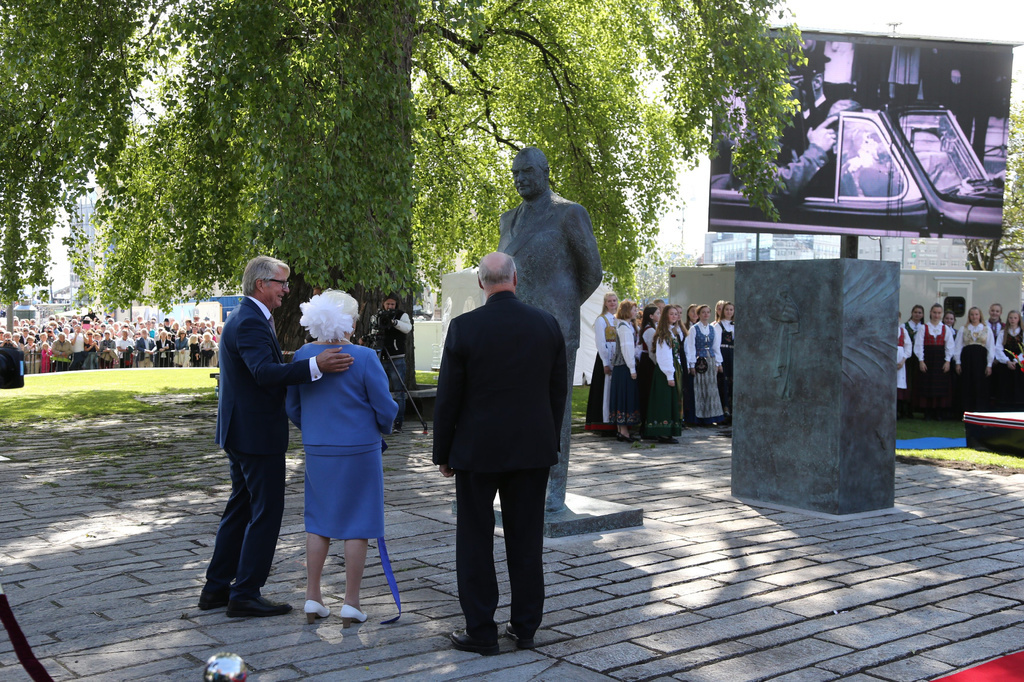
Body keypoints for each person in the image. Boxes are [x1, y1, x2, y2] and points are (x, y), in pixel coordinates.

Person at [200, 255, 353, 618]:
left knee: (240, 507)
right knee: (266, 511)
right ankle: (246, 593)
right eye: (282, 283)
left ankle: (217, 588)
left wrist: (296, 358)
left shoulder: (246, 317)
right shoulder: (251, 321)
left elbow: (262, 363)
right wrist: (316, 365)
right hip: (255, 435)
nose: (287, 290)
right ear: (261, 285)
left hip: (241, 431)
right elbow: (263, 373)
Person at [432, 252, 567, 656]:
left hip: (477, 450)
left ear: (480, 283)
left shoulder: (464, 327)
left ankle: (481, 630)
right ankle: (525, 627)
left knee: (474, 540)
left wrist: (443, 452)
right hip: (532, 449)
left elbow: (448, 397)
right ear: (515, 278)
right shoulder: (547, 324)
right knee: (526, 540)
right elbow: (557, 392)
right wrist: (548, 440)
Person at [497, 147, 602, 512]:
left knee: (553, 411)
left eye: (526, 171)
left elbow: (592, 272)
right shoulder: (507, 219)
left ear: (545, 172)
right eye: (515, 173)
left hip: (555, 328)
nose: (520, 179)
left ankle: (554, 488)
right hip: (511, 327)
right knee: (509, 405)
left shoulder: (568, 213)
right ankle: (514, 480)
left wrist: (561, 307)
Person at [286, 290, 398, 627]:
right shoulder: (364, 356)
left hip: (319, 447)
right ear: (350, 321)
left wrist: (315, 429)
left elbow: (292, 405)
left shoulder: (303, 355)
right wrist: (384, 427)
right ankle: (351, 601)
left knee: (318, 521)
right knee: (358, 525)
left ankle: (312, 596)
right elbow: (385, 406)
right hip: (360, 448)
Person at [644, 305, 684, 443]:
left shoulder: (670, 332)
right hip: (664, 373)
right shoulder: (663, 334)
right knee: (664, 401)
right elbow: (664, 356)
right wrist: (669, 375)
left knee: (670, 400)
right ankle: (663, 431)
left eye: (676, 314)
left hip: (671, 370)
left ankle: (668, 431)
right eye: (671, 314)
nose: (675, 316)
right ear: (665, 316)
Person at [584, 292, 619, 434]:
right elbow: (600, 342)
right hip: (606, 356)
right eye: (609, 301)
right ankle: (604, 423)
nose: (612, 303)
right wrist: (605, 362)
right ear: (605, 303)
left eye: (614, 300)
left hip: (617, 356)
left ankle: (615, 421)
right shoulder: (601, 320)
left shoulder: (617, 319)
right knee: (605, 389)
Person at [684, 304, 725, 425]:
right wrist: (691, 365)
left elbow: (716, 347)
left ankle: (711, 417)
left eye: (708, 312)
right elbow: (690, 347)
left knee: (711, 388)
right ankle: (699, 417)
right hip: (699, 361)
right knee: (699, 387)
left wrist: (718, 363)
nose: (706, 314)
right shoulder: (694, 329)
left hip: (710, 359)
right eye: (703, 312)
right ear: (699, 314)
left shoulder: (713, 328)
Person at [376, 293, 412, 432]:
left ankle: (398, 423)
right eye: (388, 304)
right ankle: (381, 422)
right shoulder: (378, 315)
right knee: (379, 391)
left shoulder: (401, 315)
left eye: (392, 304)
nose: (390, 307)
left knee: (399, 392)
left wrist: (394, 322)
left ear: (396, 304)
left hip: (397, 358)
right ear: (383, 304)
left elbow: (407, 328)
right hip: (381, 356)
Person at [914, 303, 954, 420]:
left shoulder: (945, 328)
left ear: (941, 314)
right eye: (934, 312)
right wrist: (921, 360)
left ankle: (938, 412)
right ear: (930, 313)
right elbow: (918, 345)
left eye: (939, 313)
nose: (936, 315)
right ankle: (927, 412)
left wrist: (947, 361)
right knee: (927, 384)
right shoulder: (924, 328)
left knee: (940, 385)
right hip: (928, 359)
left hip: (940, 360)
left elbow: (949, 346)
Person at [609, 300, 641, 442]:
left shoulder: (626, 326)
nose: (635, 312)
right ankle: (623, 431)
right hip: (624, 367)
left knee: (623, 397)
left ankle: (621, 430)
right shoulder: (623, 327)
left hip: (622, 367)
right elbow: (627, 350)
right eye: (633, 309)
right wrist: (632, 368)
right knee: (623, 397)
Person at [954, 306, 994, 414]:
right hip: (967, 359)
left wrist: (989, 364)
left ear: (980, 315)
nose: (974, 317)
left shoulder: (986, 329)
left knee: (980, 384)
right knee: (967, 383)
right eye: (972, 314)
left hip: (981, 360)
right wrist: (958, 362)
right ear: (969, 316)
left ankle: (980, 410)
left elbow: (991, 347)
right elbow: (958, 346)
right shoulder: (963, 329)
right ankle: (967, 410)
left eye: (976, 314)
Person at [636, 305, 660, 433]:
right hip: (648, 363)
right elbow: (652, 351)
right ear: (651, 316)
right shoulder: (650, 330)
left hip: (647, 361)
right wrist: (658, 364)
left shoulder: (650, 328)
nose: (659, 315)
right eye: (657, 313)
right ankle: (646, 425)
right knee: (648, 392)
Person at [996, 310, 1024, 410]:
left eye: (1015, 318)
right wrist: (1007, 361)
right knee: (1005, 386)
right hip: (1005, 363)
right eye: (1011, 318)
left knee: (1019, 386)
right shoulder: (1003, 332)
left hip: (1019, 364)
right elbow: (998, 348)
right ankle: (1005, 407)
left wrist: (1016, 361)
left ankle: (1019, 408)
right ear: (1008, 319)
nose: (1013, 320)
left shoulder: (1022, 332)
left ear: (1018, 319)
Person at [714, 301, 735, 420]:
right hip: (723, 354)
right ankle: (724, 410)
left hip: (733, 355)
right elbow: (716, 345)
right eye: (727, 309)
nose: (729, 312)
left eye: (731, 310)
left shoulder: (735, 325)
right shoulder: (718, 325)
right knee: (724, 382)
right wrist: (719, 362)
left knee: (733, 382)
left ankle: (732, 409)